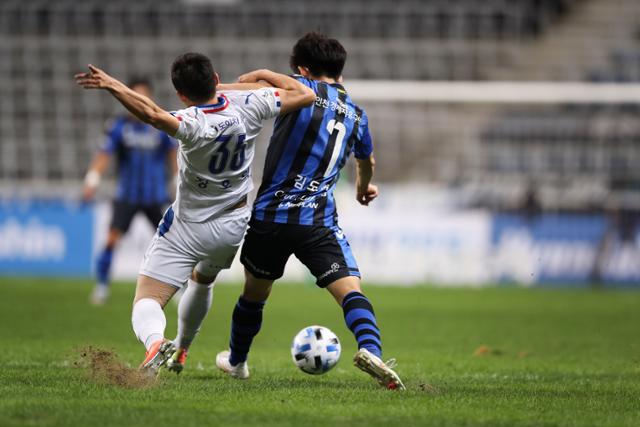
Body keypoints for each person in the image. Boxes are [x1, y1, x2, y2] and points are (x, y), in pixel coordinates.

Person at [75, 53, 316, 376]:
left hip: (188, 225)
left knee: (148, 298)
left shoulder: (190, 122)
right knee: (202, 282)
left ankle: (156, 342)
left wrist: (112, 85)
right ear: (215, 78)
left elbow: (151, 114)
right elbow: (305, 94)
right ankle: (183, 348)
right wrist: (262, 73)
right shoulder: (251, 104)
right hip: (232, 225)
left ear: (181, 95)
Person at [214, 33, 405, 390]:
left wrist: (214, 89)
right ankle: (371, 350)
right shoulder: (358, 115)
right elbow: (368, 160)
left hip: (270, 218)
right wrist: (364, 189)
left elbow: (245, 90)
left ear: (302, 69)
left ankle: (237, 361)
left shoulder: (299, 87)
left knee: (254, 294)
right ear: (340, 72)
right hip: (317, 222)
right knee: (350, 290)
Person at [83, 77, 178, 305]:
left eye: (143, 97)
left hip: (155, 195)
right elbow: (104, 155)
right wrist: (92, 179)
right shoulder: (118, 127)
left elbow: (173, 155)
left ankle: (177, 289)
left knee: (172, 243)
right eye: (134, 96)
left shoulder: (161, 124)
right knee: (111, 239)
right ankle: (102, 286)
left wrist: (177, 181)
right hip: (127, 195)